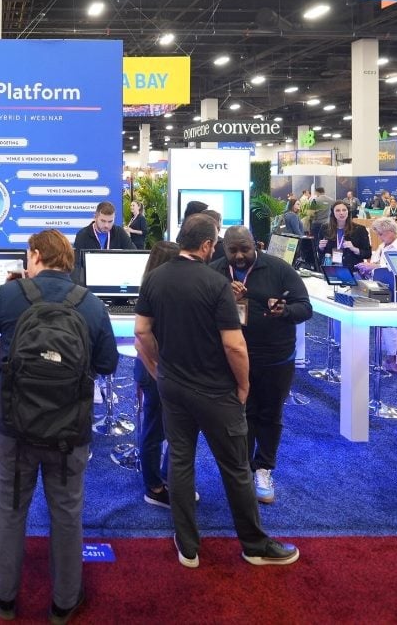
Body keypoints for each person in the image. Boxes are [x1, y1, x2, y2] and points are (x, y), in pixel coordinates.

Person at [134, 214, 299, 568]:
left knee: (180, 461)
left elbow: (141, 332)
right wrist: (243, 384)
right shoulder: (214, 283)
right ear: (208, 245)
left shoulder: (155, 278)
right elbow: (234, 345)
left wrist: (158, 368)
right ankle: (254, 545)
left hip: (173, 387)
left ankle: (188, 547)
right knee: (236, 467)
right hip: (215, 390)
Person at [0, 229, 117, 623]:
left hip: (14, 425)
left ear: (35, 255)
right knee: (67, 512)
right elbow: (107, 364)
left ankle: (4, 595)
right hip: (70, 429)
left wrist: (5, 296)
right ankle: (64, 602)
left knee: (10, 507)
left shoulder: (13, 293)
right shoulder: (91, 304)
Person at [210, 226, 312, 505]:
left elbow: (305, 307)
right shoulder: (215, 271)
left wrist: (285, 311)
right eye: (233, 250)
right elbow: (199, 311)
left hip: (274, 358)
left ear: (256, 244)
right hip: (230, 357)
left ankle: (264, 469)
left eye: (245, 248)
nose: (240, 255)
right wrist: (222, 295)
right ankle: (242, 469)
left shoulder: (279, 269)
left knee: (269, 414)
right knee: (238, 416)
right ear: (224, 248)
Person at [135, 241, 180, 508]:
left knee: (170, 428)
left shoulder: (154, 286)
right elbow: (142, 338)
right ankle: (153, 485)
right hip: (156, 370)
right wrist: (157, 369)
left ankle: (167, 477)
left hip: (163, 370)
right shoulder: (153, 291)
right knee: (155, 429)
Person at [314, 201, 371, 271]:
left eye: (344, 210)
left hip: (352, 269)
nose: (341, 213)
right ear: (333, 213)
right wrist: (320, 248)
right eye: (338, 210)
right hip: (331, 268)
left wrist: (354, 249)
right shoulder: (325, 228)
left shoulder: (359, 229)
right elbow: (319, 252)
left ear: (348, 212)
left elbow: (368, 254)